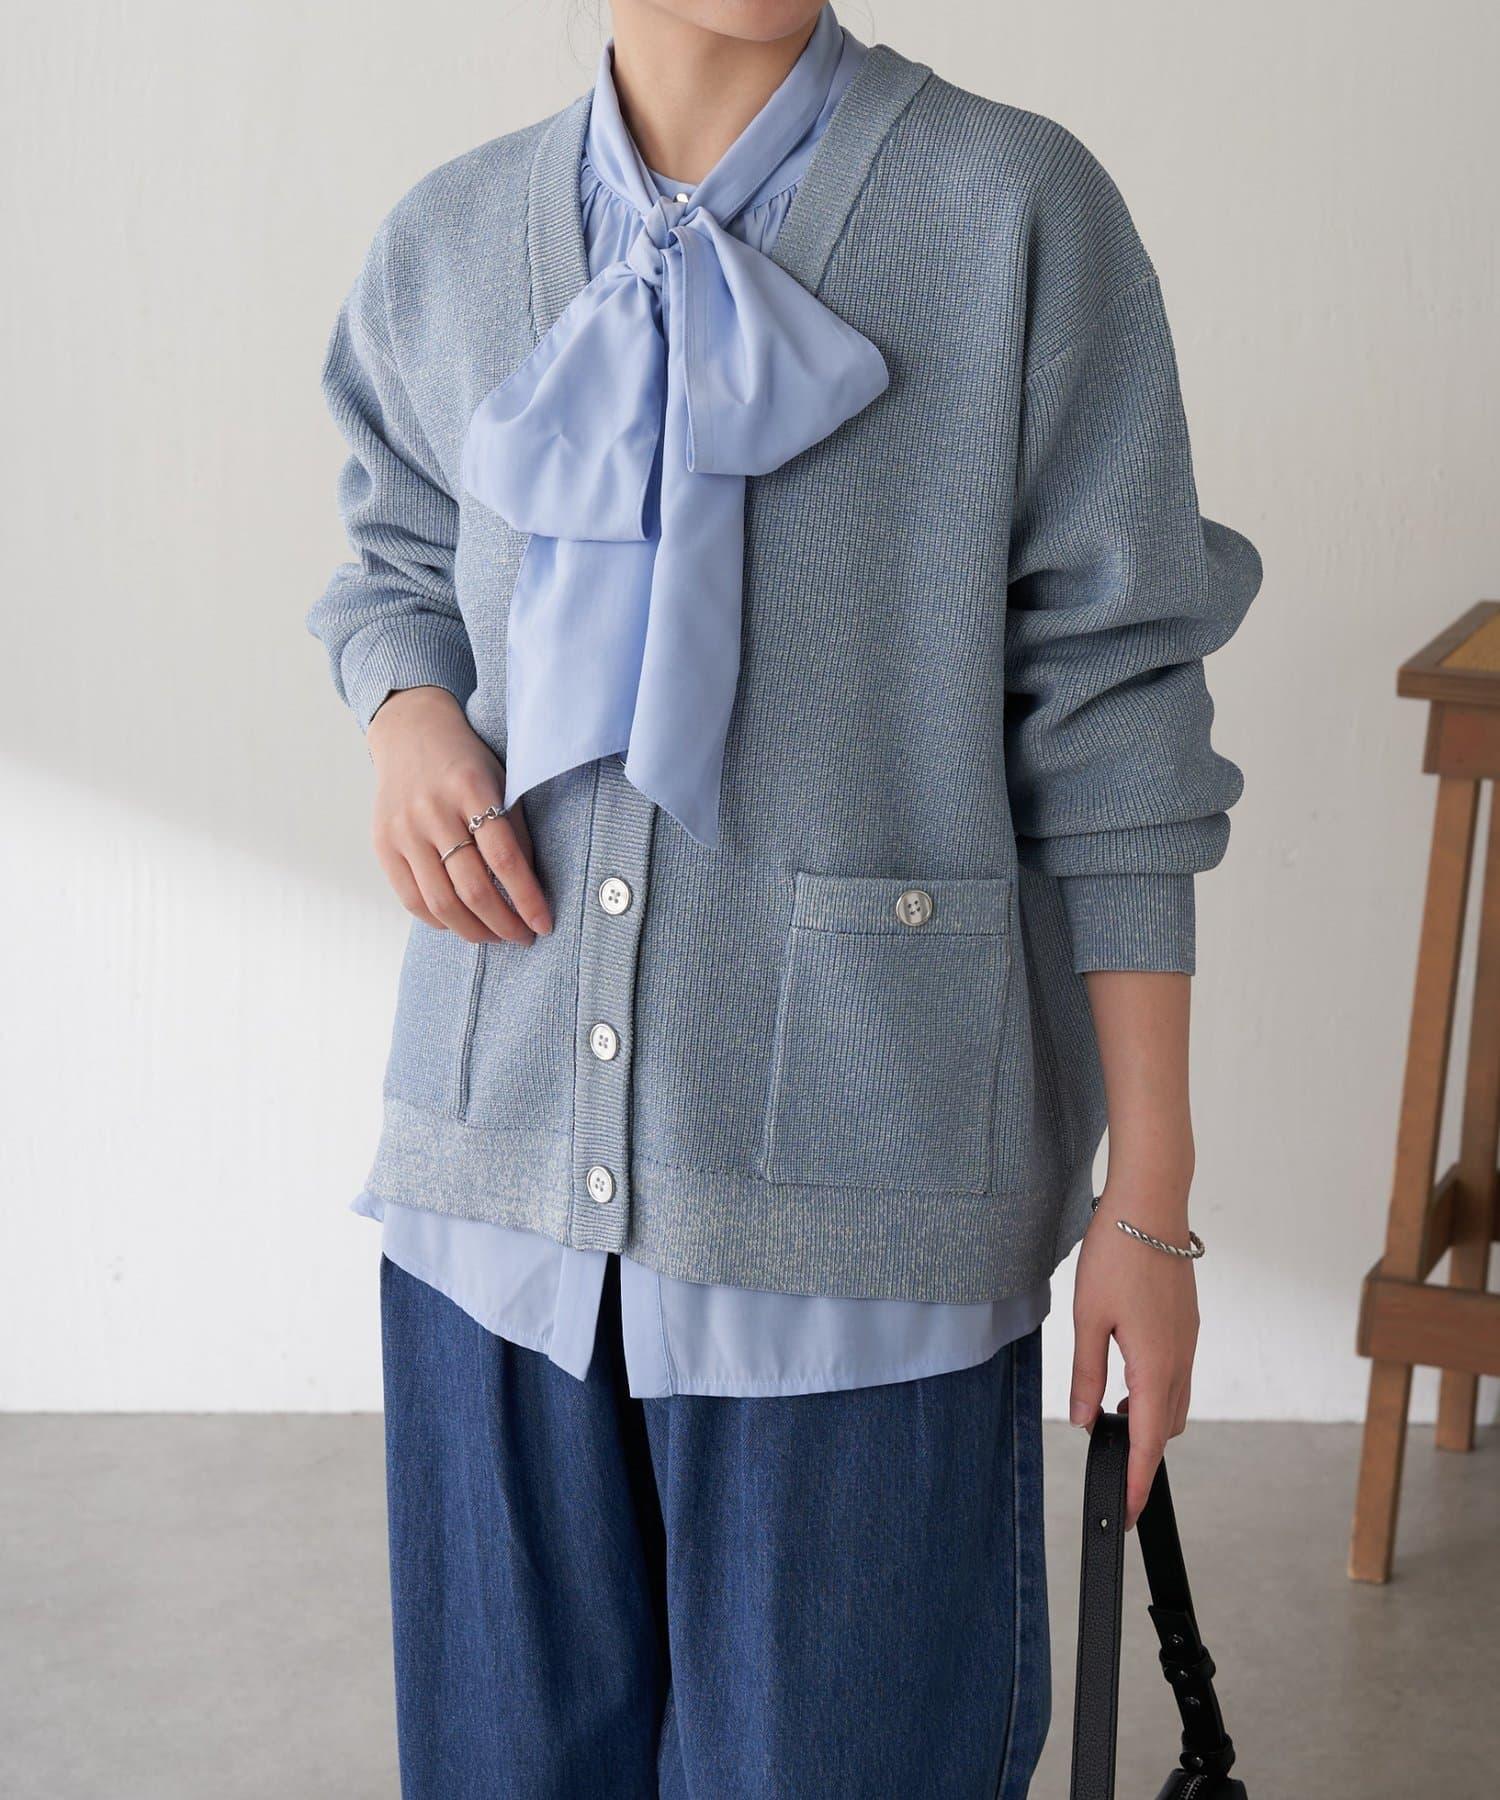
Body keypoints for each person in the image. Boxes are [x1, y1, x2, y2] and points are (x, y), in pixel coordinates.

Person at [309, 3, 1260, 1794]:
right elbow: (396, 553)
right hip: (490, 1217)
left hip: (867, 1228)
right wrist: (406, 706)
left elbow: (1119, 716)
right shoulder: (451, 235)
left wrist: (1153, 1200)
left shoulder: (1013, 212)